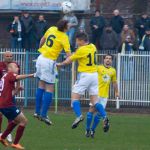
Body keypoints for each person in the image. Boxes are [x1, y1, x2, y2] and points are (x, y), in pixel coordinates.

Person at [57, 32, 109, 131]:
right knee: (95, 101)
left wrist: (59, 64)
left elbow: (69, 60)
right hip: (94, 76)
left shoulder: (81, 50)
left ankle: (79, 116)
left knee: (74, 98)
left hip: (85, 75)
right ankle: (105, 116)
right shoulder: (93, 46)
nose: (76, 43)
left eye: (77, 41)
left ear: (81, 41)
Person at [34, 20, 71, 125]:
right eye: (68, 25)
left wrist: (41, 49)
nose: (69, 27)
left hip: (40, 57)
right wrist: (64, 63)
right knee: (49, 88)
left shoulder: (52, 28)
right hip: (49, 61)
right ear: (64, 27)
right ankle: (44, 114)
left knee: (41, 85)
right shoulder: (64, 37)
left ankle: (37, 111)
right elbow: (69, 55)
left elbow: (42, 40)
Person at [0, 62, 34, 150]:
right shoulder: (10, 74)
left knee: (15, 121)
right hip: (7, 105)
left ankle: (2, 137)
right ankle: (15, 143)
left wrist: (17, 89)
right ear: (10, 69)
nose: (17, 68)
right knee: (24, 121)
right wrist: (31, 75)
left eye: (18, 67)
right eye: (15, 67)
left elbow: (11, 94)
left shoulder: (5, 77)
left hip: (4, 104)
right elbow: (18, 77)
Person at [85, 54, 119, 138]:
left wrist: (117, 92)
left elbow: (114, 82)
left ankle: (92, 130)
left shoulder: (113, 71)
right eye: (106, 58)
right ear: (103, 60)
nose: (108, 60)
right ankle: (87, 129)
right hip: (96, 93)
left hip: (104, 96)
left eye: (110, 59)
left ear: (112, 61)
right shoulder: (98, 68)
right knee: (91, 112)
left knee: (99, 114)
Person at [0, 51, 22, 143]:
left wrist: (17, 89)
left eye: (11, 56)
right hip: (1, 93)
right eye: (7, 56)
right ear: (3, 57)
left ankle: (8, 133)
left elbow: (18, 77)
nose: (9, 57)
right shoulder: (0, 66)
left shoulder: (15, 65)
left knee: (12, 115)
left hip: (10, 92)